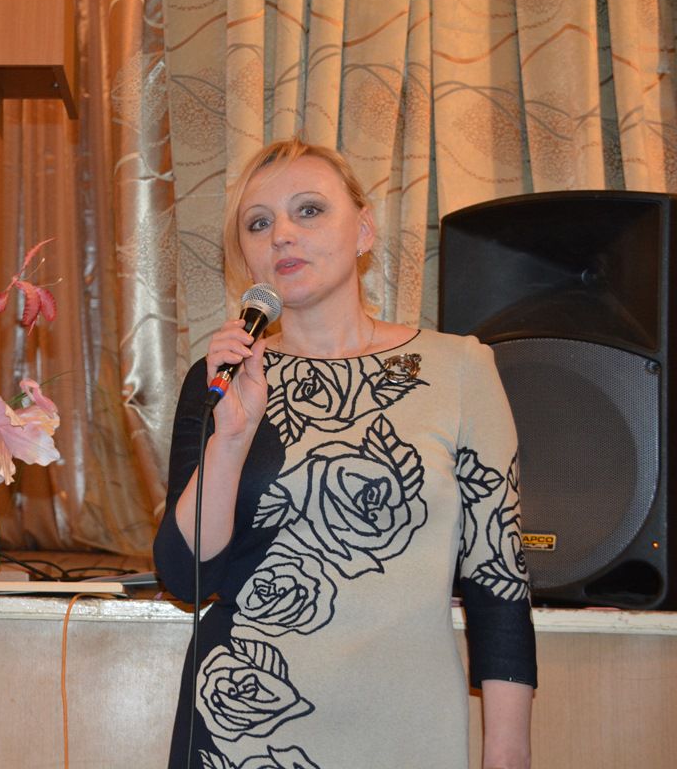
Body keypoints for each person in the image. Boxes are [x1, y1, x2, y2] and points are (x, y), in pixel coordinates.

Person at [152, 138, 536, 769]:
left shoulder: (460, 367)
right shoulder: (222, 377)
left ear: (363, 230)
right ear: (246, 256)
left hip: (407, 726)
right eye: (258, 223)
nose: (282, 234)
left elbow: (500, 577)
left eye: (309, 210)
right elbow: (185, 575)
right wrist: (232, 440)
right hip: (244, 725)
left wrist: (508, 750)